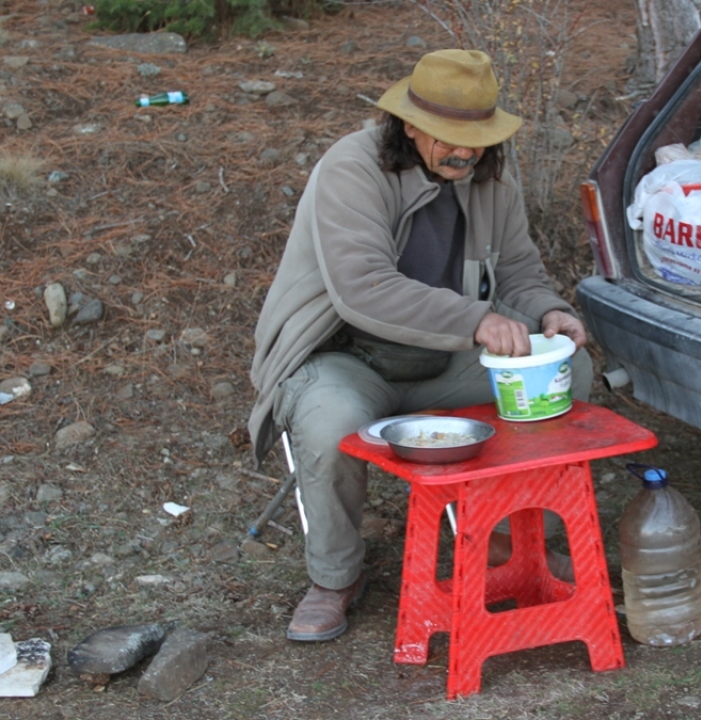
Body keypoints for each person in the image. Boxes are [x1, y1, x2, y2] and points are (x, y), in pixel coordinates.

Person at [248, 49, 592, 642]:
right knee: (332, 425)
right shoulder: (351, 169)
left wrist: (549, 311)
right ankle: (334, 579)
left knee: (567, 377)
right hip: (346, 354)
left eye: (477, 137)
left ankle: (508, 543)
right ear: (408, 124)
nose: (465, 151)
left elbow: (518, 274)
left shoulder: (490, 183)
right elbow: (364, 289)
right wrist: (478, 320)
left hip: (443, 360)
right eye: (449, 136)